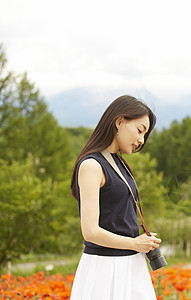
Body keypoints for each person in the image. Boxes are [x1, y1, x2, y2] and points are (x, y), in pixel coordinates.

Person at [70, 95, 161, 299]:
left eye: (145, 135)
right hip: (105, 268)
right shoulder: (92, 165)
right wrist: (134, 243)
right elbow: (90, 232)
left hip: (131, 264)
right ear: (119, 121)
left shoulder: (118, 163)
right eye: (140, 130)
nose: (141, 140)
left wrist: (139, 242)